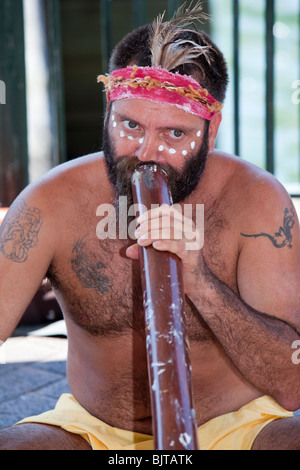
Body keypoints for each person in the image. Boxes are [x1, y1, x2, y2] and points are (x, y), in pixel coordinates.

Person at [1, 3, 300, 450]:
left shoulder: (256, 201)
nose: (146, 151)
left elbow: (290, 383)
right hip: (91, 433)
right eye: (130, 125)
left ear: (211, 129)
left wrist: (199, 282)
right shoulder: (50, 203)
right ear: (109, 110)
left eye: (176, 134)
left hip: (239, 429)